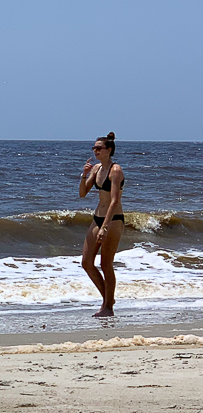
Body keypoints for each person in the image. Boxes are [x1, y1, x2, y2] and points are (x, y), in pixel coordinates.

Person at [79, 132, 125, 317]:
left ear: (109, 150)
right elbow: (83, 193)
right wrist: (84, 175)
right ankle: (108, 298)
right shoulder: (97, 169)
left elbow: (114, 201)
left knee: (106, 264)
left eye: (99, 148)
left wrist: (105, 227)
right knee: (86, 263)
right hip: (97, 217)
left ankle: (108, 308)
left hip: (113, 220)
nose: (96, 151)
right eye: (94, 148)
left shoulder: (116, 170)